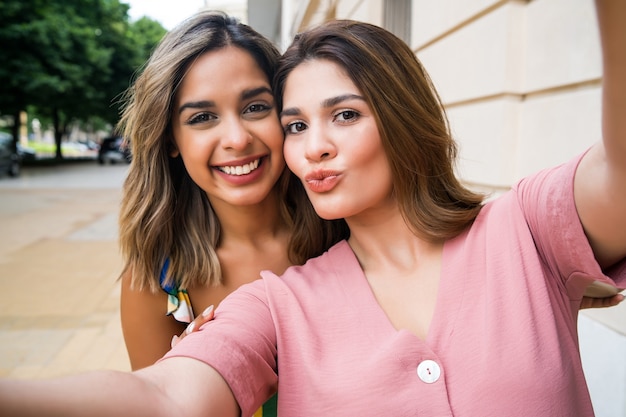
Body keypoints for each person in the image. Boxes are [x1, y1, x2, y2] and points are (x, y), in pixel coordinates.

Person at [0, 1, 624, 415]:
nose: (312, 144)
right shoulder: (269, 300)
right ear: (169, 139)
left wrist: (551, 274)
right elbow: (161, 396)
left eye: (344, 114)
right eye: (298, 124)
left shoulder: (518, 229)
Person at [115, 10, 344, 416]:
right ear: (171, 139)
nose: (237, 139)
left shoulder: (345, 228)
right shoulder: (158, 279)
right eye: (202, 118)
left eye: (256, 107)